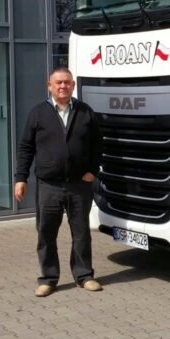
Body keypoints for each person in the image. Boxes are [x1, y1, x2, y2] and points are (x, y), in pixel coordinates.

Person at [14, 67, 102, 297]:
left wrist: (92, 171)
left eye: (67, 82)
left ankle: (84, 275)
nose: (63, 86)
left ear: (73, 85)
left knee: (81, 233)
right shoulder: (38, 113)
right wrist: (21, 178)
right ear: (49, 86)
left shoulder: (85, 112)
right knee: (46, 233)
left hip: (78, 185)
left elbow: (97, 144)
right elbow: (26, 148)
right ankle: (48, 279)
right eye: (58, 82)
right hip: (49, 186)